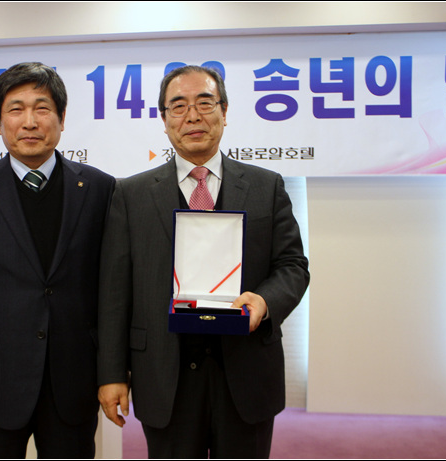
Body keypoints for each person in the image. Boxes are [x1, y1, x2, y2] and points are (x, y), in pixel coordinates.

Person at [97, 65, 310, 458]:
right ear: (164, 120)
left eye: (205, 103)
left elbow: (293, 265)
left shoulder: (266, 186)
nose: (192, 116)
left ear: (224, 112)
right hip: (165, 374)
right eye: (178, 106)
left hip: (246, 371)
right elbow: (114, 292)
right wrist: (112, 373)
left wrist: (264, 301)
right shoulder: (131, 194)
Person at [0, 62, 115, 459]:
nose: (29, 121)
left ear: (61, 119)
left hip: (73, 379)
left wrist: (114, 372)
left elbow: (112, 289)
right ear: (0, 122)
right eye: (16, 109)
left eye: (42, 108)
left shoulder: (99, 188)